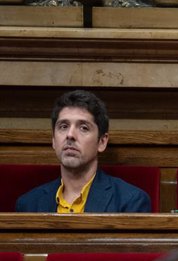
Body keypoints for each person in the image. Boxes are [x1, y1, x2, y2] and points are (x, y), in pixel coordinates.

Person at [15, 90, 151, 213]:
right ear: (53, 140)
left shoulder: (130, 201)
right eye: (63, 126)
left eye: (83, 128)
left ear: (102, 142)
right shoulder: (28, 204)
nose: (70, 135)